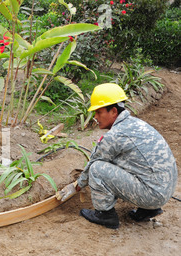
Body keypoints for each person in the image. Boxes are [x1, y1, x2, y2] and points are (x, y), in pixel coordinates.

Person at [57, 83, 177, 229]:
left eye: (99, 112)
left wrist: (76, 186)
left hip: (153, 194)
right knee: (120, 161)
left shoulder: (115, 135)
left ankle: (105, 215)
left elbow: (94, 164)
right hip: (165, 189)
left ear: (113, 111)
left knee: (97, 169)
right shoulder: (136, 124)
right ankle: (147, 210)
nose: (95, 117)